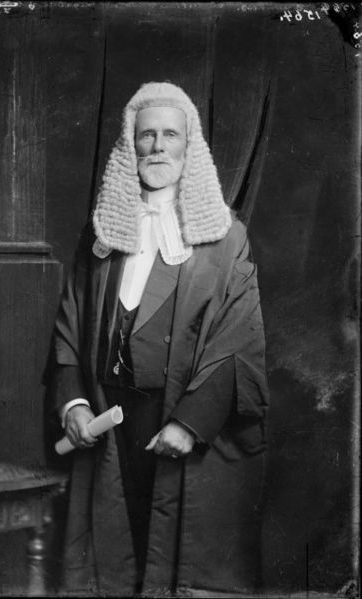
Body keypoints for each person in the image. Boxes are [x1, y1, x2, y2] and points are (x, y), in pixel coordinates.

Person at [50, 82, 269, 597]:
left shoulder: (227, 238)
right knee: (115, 559)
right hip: (111, 418)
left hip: (179, 421)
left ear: (189, 148)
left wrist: (191, 424)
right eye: (146, 135)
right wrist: (74, 403)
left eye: (170, 134)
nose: (157, 146)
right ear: (130, 148)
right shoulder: (102, 232)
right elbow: (70, 323)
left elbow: (241, 339)